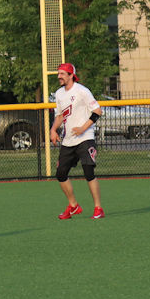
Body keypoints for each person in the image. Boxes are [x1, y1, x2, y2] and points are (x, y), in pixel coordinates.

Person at [50, 62, 104, 220]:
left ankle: (98, 208)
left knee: (88, 171)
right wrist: (53, 130)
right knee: (60, 174)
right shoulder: (59, 94)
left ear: (71, 75)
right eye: (58, 73)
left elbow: (97, 111)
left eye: (62, 74)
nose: (59, 76)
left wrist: (83, 128)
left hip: (85, 138)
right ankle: (73, 206)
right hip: (68, 140)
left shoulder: (82, 91)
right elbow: (60, 116)